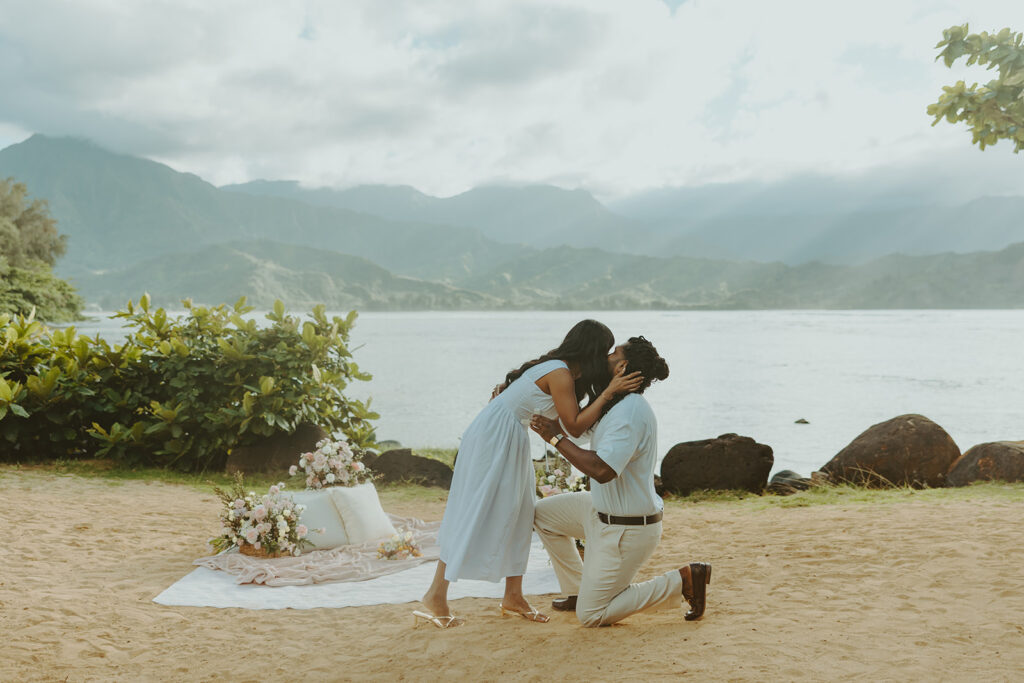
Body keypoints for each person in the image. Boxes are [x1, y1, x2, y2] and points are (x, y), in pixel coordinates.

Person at [415, 320, 643, 629]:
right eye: (605, 351)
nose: (606, 359)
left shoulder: (564, 372)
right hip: (494, 438)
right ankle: (436, 595)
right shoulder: (560, 373)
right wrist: (609, 392)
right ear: (590, 349)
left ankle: (513, 596)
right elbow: (574, 427)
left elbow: (568, 427)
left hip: (509, 436)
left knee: (521, 512)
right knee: (473, 511)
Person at [529, 336, 712, 628]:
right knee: (541, 515)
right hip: (600, 511)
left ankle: (684, 579)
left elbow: (602, 470)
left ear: (621, 366)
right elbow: (580, 431)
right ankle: (578, 589)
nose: (605, 355)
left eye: (612, 353)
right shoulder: (616, 403)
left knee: (592, 615)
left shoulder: (630, 413)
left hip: (626, 527)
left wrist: (554, 438)